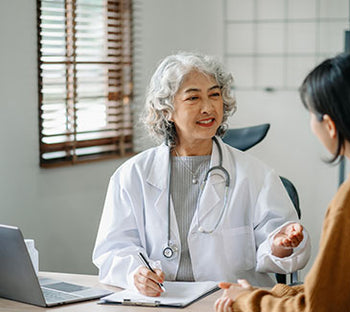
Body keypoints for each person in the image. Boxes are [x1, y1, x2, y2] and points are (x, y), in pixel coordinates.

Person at [214, 54, 350, 312]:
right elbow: (336, 290)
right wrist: (267, 294)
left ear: (329, 125)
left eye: (311, 115)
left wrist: (248, 302)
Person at [92, 52, 311, 297]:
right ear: (167, 110)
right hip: (162, 303)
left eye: (215, 95)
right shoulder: (132, 175)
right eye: (193, 97)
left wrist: (279, 245)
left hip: (231, 302)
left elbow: (276, 246)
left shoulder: (256, 174)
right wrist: (136, 274)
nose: (208, 108)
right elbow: (113, 250)